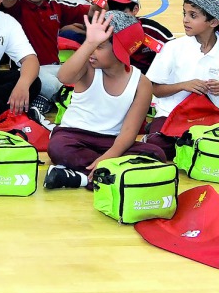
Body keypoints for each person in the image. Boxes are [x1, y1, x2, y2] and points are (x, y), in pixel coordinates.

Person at [44, 12, 165, 189]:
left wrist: (108, 157)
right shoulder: (87, 67)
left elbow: (128, 134)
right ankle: (109, 176)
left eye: (99, 46)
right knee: (58, 147)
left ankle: (82, 177)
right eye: (91, 44)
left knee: (156, 154)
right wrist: (89, 43)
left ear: (120, 50)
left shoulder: (141, 83)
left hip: (111, 142)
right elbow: (63, 76)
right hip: (74, 135)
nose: (92, 52)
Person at [144, 0, 219, 160]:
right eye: (184, 13)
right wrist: (183, 85)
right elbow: (156, 90)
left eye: (193, 15)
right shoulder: (173, 48)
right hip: (170, 114)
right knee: (157, 148)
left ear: (213, 22)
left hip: (208, 118)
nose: (185, 19)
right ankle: (159, 134)